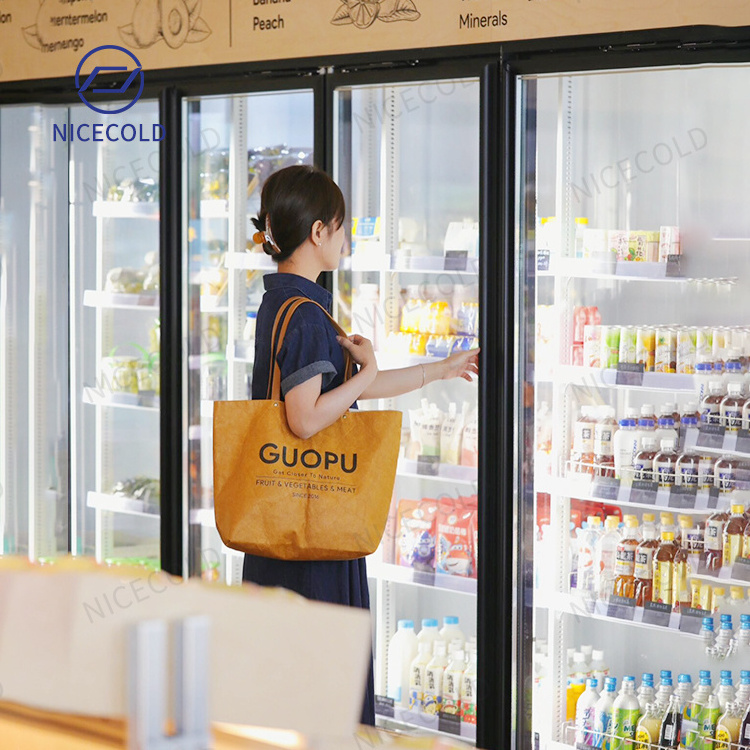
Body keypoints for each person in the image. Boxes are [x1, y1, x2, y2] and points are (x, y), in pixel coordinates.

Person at [244, 164, 479, 725]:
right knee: (325, 690)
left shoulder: (287, 304)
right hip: (313, 531)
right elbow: (306, 419)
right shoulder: (305, 316)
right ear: (319, 232)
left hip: (283, 519)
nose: (347, 241)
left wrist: (438, 370)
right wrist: (367, 369)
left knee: (284, 687)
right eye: (343, 227)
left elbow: (346, 395)